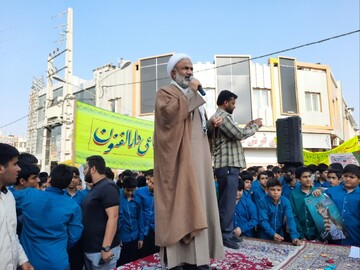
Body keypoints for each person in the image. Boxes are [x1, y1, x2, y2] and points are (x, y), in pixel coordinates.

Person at [154, 53, 224, 269]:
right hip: (179, 163)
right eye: (185, 68)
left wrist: (213, 125)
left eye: (191, 68)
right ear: (173, 73)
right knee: (183, 204)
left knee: (202, 203)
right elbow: (169, 117)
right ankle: (178, 260)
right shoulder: (166, 93)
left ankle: (200, 259)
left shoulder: (196, 100)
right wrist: (192, 90)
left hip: (200, 160)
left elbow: (201, 130)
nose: (189, 72)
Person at [210, 89, 262, 249]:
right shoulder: (222, 116)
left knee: (228, 202)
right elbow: (238, 134)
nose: (234, 106)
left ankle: (228, 233)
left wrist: (246, 127)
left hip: (228, 165)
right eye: (233, 103)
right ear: (226, 102)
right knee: (227, 202)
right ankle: (224, 236)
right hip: (227, 166)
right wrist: (256, 127)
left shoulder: (222, 117)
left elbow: (234, 134)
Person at [13, 164, 83, 270]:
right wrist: (60, 245)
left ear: (49, 178)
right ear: (68, 183)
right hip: (57, 260)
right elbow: (74, 235)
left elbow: (7, 194)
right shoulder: (73, 206)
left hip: (29, 261)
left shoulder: (29, 195)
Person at [82, 155, 121, 270]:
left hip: (102, 252)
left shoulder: (108, 187)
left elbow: (113, 217)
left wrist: (106, 248)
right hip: (91, 249)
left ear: (93, 169)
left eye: (85, 167)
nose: (83, 171)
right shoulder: (96, 187)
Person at [0, 143, 33, 270]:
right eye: (15, 164)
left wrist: (23, 260)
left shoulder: (9, 196)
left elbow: (11, 234)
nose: (19, 169)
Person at [323, 164, 360, 246]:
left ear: (359, 180)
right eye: (345, 176)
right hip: (334, 237)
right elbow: (321, 207)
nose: (348, 179)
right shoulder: (331, 191)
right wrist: (317, 193)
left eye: (352, 177)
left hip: (355, 237)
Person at [257, 178, 301, 246]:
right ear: (267, 190)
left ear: (281, 190)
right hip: (264, 235)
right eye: (272, 190)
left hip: (279, 234)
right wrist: (272, 234)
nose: (276, 192)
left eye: (278, 190)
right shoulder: (262, 202)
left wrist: (294, 237)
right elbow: (263, 221)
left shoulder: (285, 201)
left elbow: (290, 219)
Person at [117, 176, 144, 266]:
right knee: (123, 263)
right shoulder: (117, 198)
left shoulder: (137, 199)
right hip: (123, 238)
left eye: (132, 190)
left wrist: (141, 237)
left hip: (135, 236)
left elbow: (140, 218)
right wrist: (117, 238)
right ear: (123, 187)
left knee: (134, 262)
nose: (130, 193)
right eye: (128, 190)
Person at [290, 166, 319, 241]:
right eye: (305, 177)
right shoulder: (294, 194)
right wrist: (301, 235)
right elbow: (293, 216)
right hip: (301, 234)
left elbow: (323, 216)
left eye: (309, 176)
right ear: (298, 179)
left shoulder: (317, 193)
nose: (308, 179)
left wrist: (319, 237)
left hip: (318, 235)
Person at [135, 169, 159, 258]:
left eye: (152, 182)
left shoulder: (163, 194)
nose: (148, 183)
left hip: (157, 230)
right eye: (148, 180)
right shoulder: (140, 192)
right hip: (143, 230)